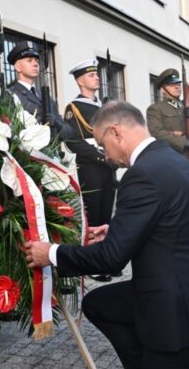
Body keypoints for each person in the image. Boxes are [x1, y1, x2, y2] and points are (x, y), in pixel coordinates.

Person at [24, 101, 189, 369]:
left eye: (102, 144)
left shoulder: (141, 175)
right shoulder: (175, 161)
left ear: (116, 133)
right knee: (99, 304)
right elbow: (174, 222)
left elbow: (111, 260)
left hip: (178, 320)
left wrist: (49, 253)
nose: (105, 155)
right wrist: (120, 229)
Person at [62, 59, 117, 281]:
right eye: (91, 75)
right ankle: (93, 263)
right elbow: (72, 141)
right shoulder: (73, 107)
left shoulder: (104, 106)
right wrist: (99, 156)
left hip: (109, 164)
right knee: (93, 216)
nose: (96, 78)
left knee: (106, 215)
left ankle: (108, 259)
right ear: (80, 81)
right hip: (91, 166)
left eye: (96, 74)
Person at [146, 68, 189, 167]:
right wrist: (183, 142)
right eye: (172, 85)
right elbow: (157, 132)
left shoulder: (186, 107)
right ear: (163, 90)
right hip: (171, 159)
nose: (177, 87)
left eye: (178, 84)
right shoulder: (155, 109)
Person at [7, 41, 71, 138]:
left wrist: (56, 123)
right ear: (18, 67)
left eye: (37, 61)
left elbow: (68, 133)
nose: (36, 64)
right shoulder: (11, 95)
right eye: (29, 60)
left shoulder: (46, 97)